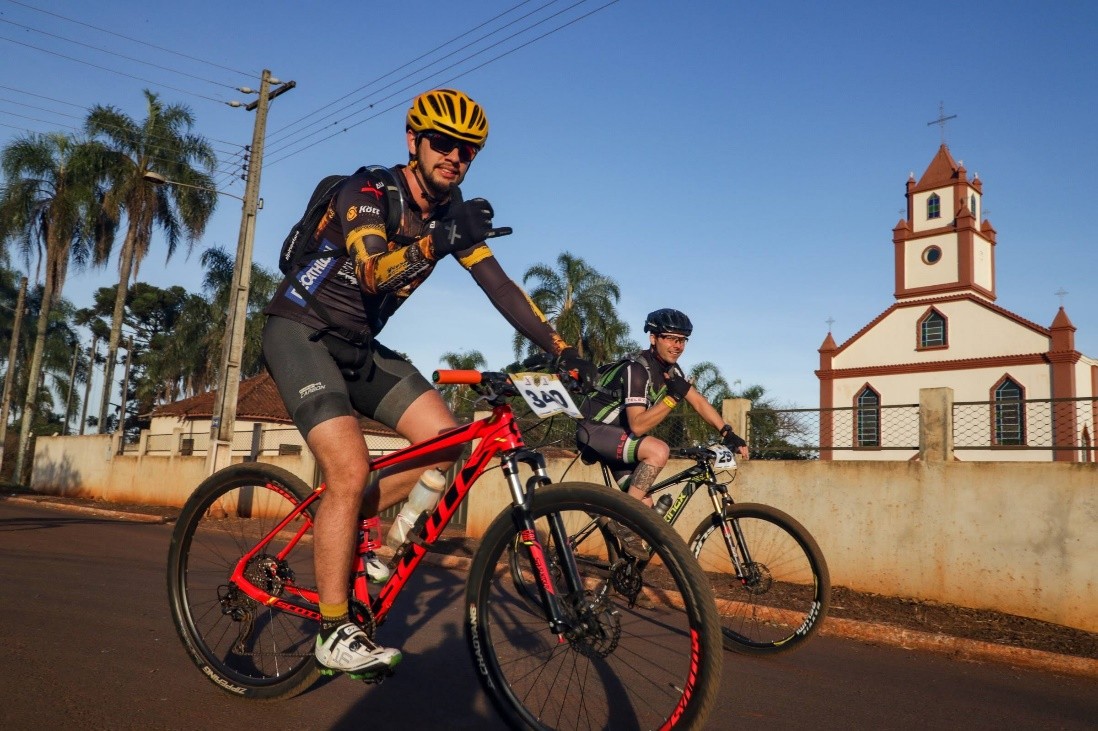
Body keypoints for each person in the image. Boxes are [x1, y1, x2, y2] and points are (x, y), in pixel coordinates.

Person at [261, 88, 594, 679]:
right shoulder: (365, 191)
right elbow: (370, 273)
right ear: (412, 142)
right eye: (442, 143)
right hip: (300, 332)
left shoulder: (450, 211)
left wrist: (563, 349)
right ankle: (333, 628)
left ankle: (377, 546)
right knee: (348, 470)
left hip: (359, 348)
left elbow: (501, 288)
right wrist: (438, 240)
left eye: (468, 151)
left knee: (448, 439)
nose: (455, 157)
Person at [575, 308, 749, 551]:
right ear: (653, 338)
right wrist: (670, 399)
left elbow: (698, 401)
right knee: (658, 451)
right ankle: (620, 522)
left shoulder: (672, 372)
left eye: (682, 340)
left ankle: (621, 567)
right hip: (596, 431)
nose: (677, 345)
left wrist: (727, 432)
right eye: (670, 338)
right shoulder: (637, 370)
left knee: (644, 509)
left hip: (621, 439)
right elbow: (638, 425)